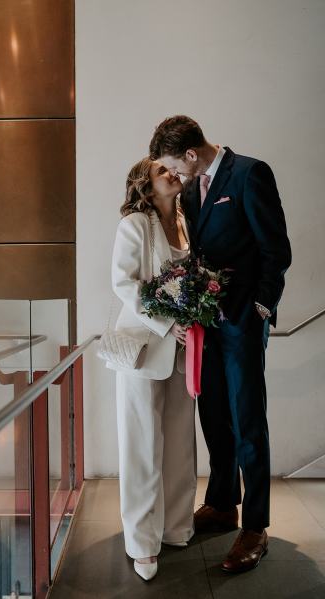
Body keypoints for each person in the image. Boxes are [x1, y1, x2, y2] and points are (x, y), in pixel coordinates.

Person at [149, 116, 292, 574]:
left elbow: (277, 249)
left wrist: (262, 308)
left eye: (176, 166)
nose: (176, 177)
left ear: (191, 154)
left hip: (244, 323)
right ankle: (223, 503)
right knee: (212, 414)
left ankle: (255, 527)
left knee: (248, 419)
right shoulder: (191, 190)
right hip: (204, 326)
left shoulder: (250, 174)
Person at [106, 157, 197, 580]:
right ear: (146, 182)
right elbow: (125, 284)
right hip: (144, 346)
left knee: (180, 439)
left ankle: (177, 527)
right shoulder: (134, 225)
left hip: (185, 348)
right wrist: (168, 321)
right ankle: (142, 541)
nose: (173, 174)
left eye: (173, 170)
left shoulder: (186, 219)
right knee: (142, 445)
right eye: (164, 172)